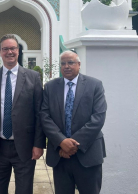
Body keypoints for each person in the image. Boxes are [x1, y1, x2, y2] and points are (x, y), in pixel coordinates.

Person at [0, 34, 45, 194]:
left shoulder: (33, 77)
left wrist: (38, 144)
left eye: (13, 48)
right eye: (5, 49)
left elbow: (40, 113)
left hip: (25, 146)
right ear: (0, 52)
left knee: (24, 190)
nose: (9, 52)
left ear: (18, 51)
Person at [40, 50, 107, 194]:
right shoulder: (50, 87)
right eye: (63, 63)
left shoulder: (94, 85)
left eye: (70, 62)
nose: (66, 66)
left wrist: (71, 144)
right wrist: (61, 142)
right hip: (60, 156)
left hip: (87, 153)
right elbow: (44, 116)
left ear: (79, 64)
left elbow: (98, 117)